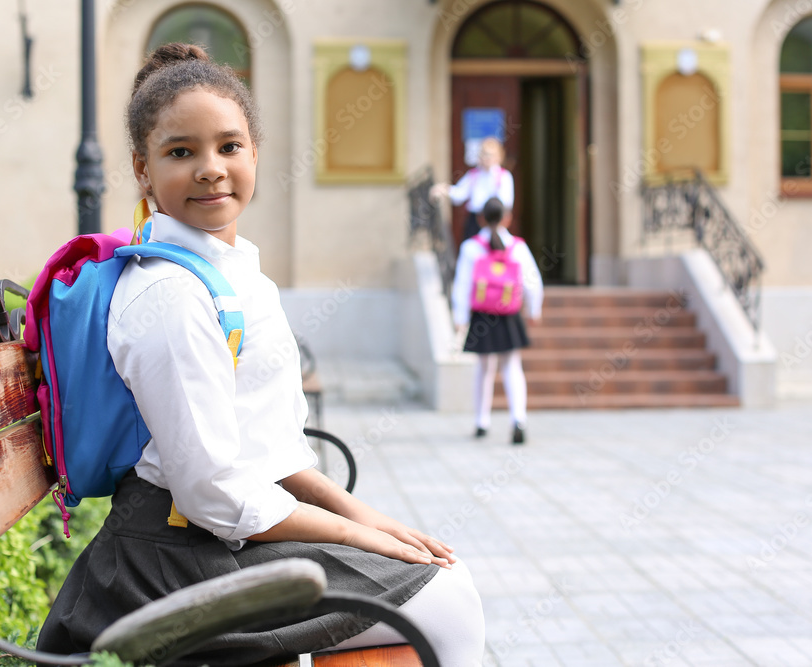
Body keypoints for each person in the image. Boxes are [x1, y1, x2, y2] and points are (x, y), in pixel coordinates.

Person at [36, 43, 485, 666]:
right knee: (448, 602)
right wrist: (357, 535)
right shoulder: (169, 293)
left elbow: (271, 448)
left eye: (228, 146)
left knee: (442, 583)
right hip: (168, 570)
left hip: (216, 545)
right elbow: (212, 492)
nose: (210, 168)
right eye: (180, 152)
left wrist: (370, 520)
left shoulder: (233, 272)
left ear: (255, 153)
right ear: (142, 169)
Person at [451, 197, 543, 445]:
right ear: (507, 218)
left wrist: (460, 317)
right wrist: (534, 310)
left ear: (481, 218)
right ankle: (518, 419)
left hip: (483, 315)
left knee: (483, 369)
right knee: (512, 367)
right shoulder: (517, 247)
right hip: (509, 313)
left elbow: (462, 284)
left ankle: (482, 422)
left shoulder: (471, 247)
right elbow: (533, 281)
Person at [430, 136, 514, 242]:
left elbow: (506, 202)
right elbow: (460, 194)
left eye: (491, 155)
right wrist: (445, 190)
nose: (487, 158)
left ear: (498, 157)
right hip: (475, 220)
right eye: (484, 154)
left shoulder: (504, 177)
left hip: (494, 221)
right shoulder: (474, 175)